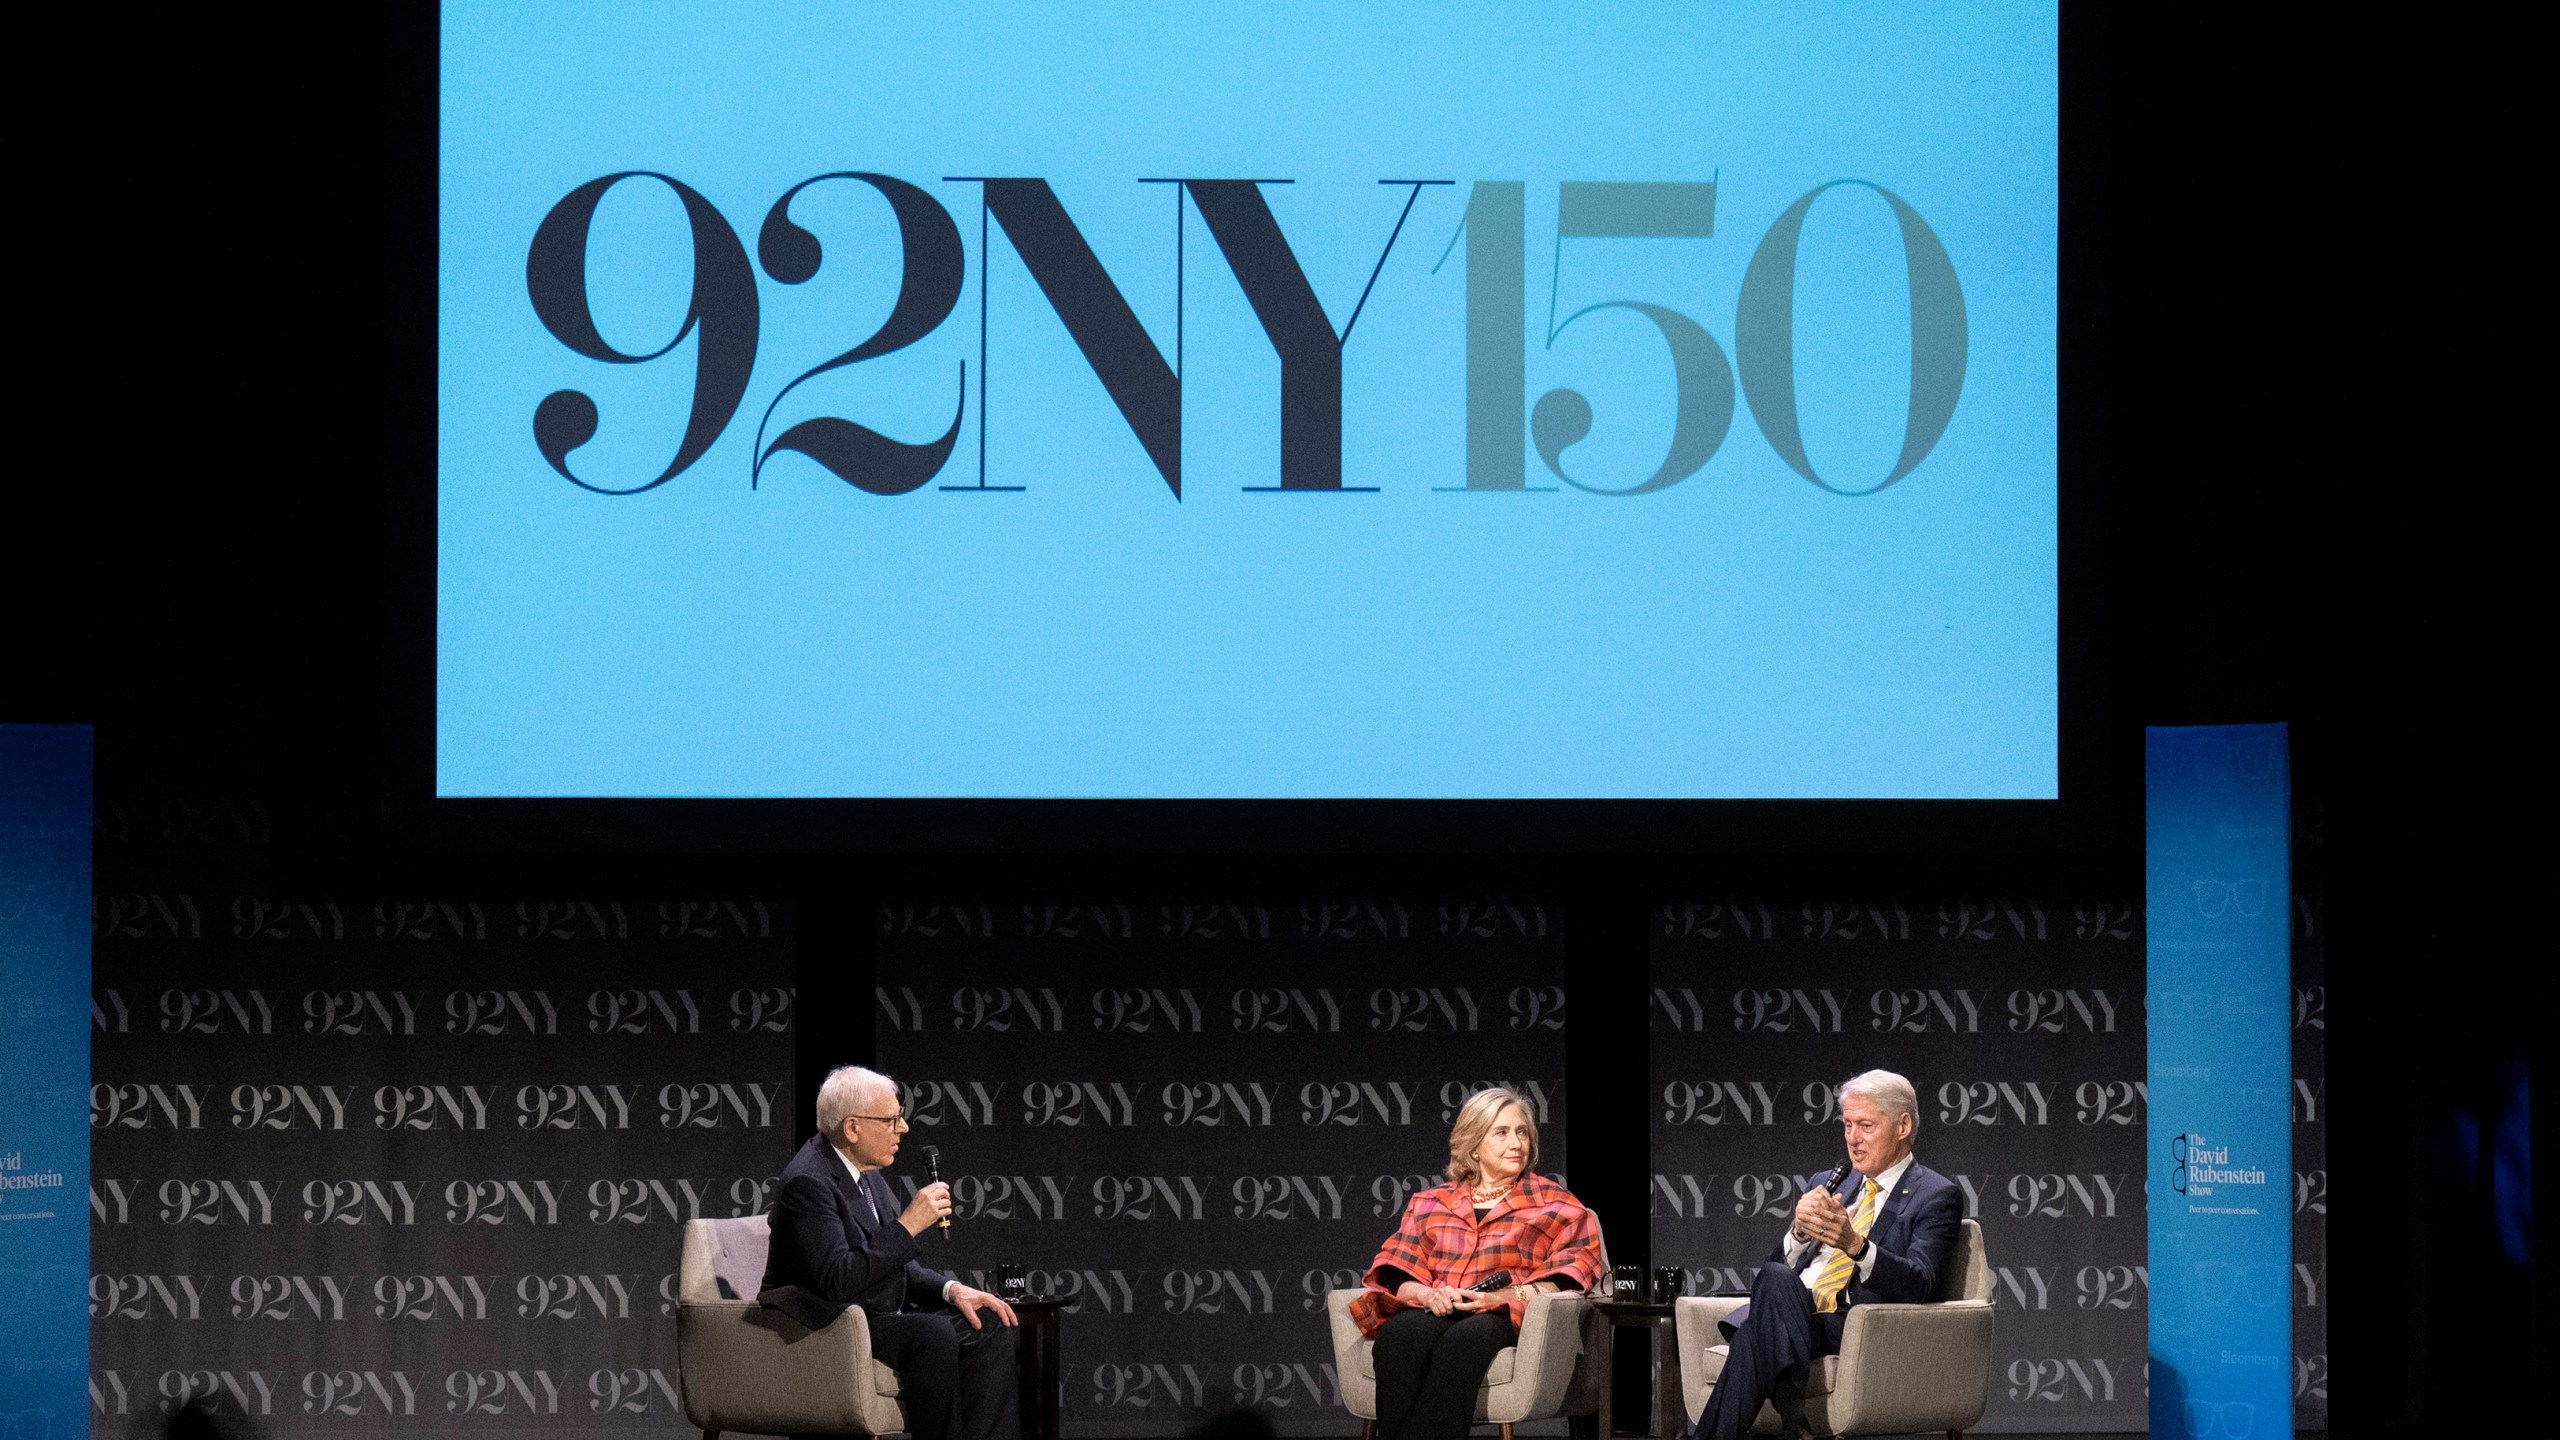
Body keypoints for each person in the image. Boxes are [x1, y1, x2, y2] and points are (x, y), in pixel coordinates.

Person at [1689, 1069, 1962, 1440]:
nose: (1853, 1139)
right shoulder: (1828, 1182)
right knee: (1775, 1277)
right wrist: (1799, 1233)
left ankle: (1788, 1424)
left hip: (1853, 1324)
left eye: (1866, 1125)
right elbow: (1781, 1266)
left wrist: (1855, 1245)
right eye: (1847, 1125)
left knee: (1757, 1330)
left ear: (1902, 1126)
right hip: (1795, 1313)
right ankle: (1793, 1420)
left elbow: (1921, 1283)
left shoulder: (1935, 1194)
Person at [759, 1065, 1019, 1440]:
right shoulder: (808, 1182)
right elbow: (836, 1280)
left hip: (872, 1311)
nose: (904, 1128)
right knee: (931, 1333)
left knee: (990, 1323)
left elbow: (897, 1264)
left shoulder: (866, 1174)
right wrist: (909, 1225)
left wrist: (952, 1290)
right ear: (852, 1128)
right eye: (891, 1119)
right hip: (830, 1320)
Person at [1349, 1087, 1605, 1440]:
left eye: (1522, 1132)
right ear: (1473, 1144)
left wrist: (1501, 1298)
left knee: (1463, 1343)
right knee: (1398, 1338)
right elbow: (1396, 1269)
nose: (1516, 1143)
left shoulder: (1557, 1204)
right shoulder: (1430, 1202)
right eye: (1501, 1133)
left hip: (1503, 1316)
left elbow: (1573, 1273)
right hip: (1438, 1307)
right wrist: (1427, 1295)